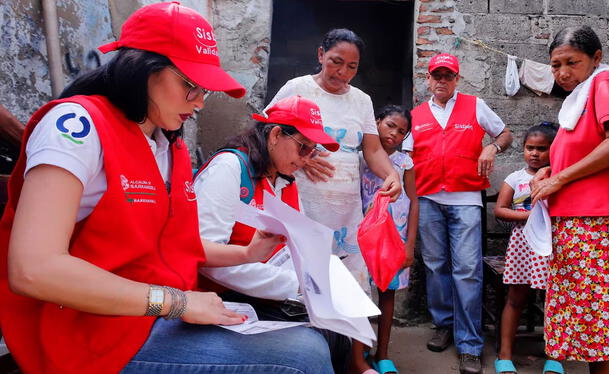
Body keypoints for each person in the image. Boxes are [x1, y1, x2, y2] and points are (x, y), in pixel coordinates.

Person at [0, 3, 334, 373]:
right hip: (90, 334)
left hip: (152, 317)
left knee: (313, 339)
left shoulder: (166, 143)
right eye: (190, 85)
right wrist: (177, 303)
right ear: (140, 69)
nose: (200, 102)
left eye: (204, 90)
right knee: (303, 357)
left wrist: (246, 255)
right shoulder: (77, 125)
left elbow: (174, 246)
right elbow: (34, 268)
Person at [194, 95, 351, 374]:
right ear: (276, 134)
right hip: (217, 298)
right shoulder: (229, 169)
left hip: (264, 290)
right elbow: (206, 257)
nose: (306, 159)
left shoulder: (285, 180)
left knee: (341, 331)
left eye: (312, 152)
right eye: (304, 148)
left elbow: (295, 247)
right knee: (313, 347)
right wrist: (296, 286)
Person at [531, 25, 609, 374]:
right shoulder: (578, 100)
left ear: (596, 58)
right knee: (595, 328)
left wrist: (561, 176)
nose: (562, 72)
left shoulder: (605, 83)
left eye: (571, 62)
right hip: (578, 225)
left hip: (598, 226)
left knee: (603, 329)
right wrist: (551, 169)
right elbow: (586, 153)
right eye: (555, 64)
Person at [267, 29, 401, 300]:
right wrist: (300, 158)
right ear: (320, 55)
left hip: (345, 212)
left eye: (352, 67)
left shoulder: (361, 101)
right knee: (302, 286)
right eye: (336, 61)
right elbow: (266, 132)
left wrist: (392, 175)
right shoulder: (297, 89)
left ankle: (344, 343)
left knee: (346, 291)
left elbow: (372, 149)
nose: (343, 72)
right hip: (303, 203)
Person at [403, 53, 513, 374]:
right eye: (436, 75)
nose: (441, 80)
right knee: (436, 266)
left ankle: (469, 344)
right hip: (427, 200)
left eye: (447, 75)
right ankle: (444, 323)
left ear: (456, 79)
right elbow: (406, 159)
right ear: (427, 79)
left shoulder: (475, 106)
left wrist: (492, 147)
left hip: (465, 199)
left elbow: (504, 134)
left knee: (467, 269)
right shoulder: (416, 115)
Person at [493, 122, 563, 374]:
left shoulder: (560, 176)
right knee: (516, 298)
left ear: (553, 150)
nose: (534, 153)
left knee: (555, 300)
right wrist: (528, 217)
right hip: (523, 245)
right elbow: (499, 209)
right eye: (529, 148)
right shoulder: (516, 178)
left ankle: (555, 357)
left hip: (552, 245)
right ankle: (504, 356)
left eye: (541, 149)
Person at [359, 105, 418, 374]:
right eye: (390, 125)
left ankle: (382, 354)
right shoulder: (360, 157)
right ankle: (358, 352)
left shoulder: (405, 163)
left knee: (387, 293)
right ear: (377, 122)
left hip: (394, 238)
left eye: (402, 131)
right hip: (363, 238)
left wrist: (409, 245)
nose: (394, 133)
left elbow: (414, 202)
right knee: (358, 293)